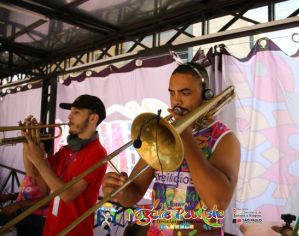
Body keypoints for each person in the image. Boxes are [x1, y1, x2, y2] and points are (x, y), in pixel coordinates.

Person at [103, 62, 241, 235]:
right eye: (172, 93)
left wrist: (184, 134)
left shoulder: (224, 138)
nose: (177, 100)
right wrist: (120, 191)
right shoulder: (162, 134)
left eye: (185, 93)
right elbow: (135, 192)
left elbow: (217, 203)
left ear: (206, 95)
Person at [21, 94, 108, 236]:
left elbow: (68, 194)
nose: (69, 117)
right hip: (51, 228)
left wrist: (38, 159)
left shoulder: (98, 153)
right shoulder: (67, 150)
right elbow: (33, 174)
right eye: (70, 112)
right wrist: (27, 140)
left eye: (76, 112)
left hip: (74, 232)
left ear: (93, 118)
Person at [0, 140, 50, 236]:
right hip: (25, 214)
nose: (25, 153)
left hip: (35, 219)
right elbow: (29, 192)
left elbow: (47, 200)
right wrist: (10, 196)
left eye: (27, 149)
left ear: (41, 150)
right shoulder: (31, 170)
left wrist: (19, 205)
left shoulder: (41, 171)